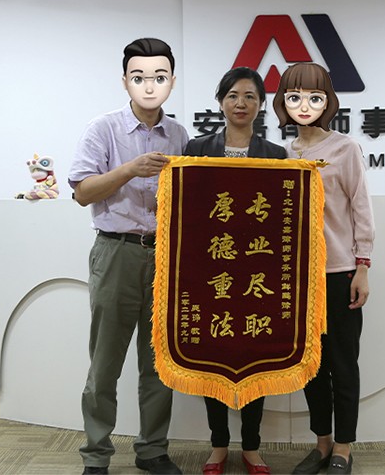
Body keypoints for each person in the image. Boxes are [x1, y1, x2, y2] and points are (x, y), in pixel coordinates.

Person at [68, 38, 189, 475]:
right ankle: (96, 454)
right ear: (125, 81)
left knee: (159, 363)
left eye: (159, 77)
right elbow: (82, 192)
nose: (149, 86)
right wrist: (129, 170)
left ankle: (152, 450)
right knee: (105, 362)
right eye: (139, 77)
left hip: (166, 257)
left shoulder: (179, 135)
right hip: (116, 251)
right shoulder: (103, 129)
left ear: (171, 81)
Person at [272, 63, 374, 475]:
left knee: (343, 364)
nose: (303, 105)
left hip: (340, 272)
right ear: (282, 103)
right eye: (294, 97)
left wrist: (363, 266)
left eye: (314, 97)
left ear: (327, 102)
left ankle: (344, 448)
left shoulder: (344, 148)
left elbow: (361, 208)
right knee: (311, 366)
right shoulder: (283, 154)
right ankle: (322, 444)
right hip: (299, 277)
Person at [183, 67, 286, 475]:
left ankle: (252, 447)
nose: (240, 104)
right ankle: (218, 445)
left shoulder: (276, 155)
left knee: (255, 358)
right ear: (220, 102)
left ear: (261, 105)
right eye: (233, 96)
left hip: (257, 271)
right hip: (211, 270)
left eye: (250, 97)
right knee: (213, 358)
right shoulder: (196, 149)